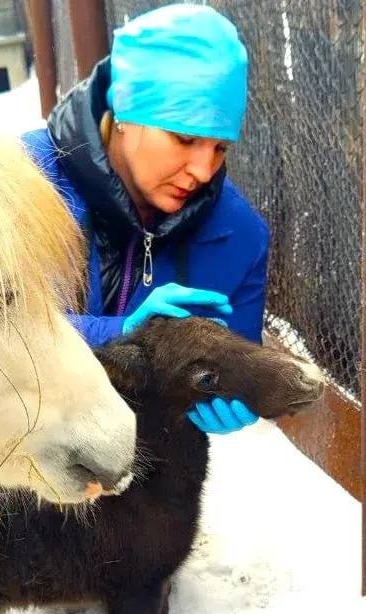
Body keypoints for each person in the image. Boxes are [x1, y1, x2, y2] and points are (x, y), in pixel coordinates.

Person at [22, 3, 269, 435]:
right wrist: (120, 334)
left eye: (220, 148)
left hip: (150, 458)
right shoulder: (22, 181)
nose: (204, 170)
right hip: (19, 448)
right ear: (125, 113)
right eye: (185, 139)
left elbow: (239, 355)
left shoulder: (239, 236)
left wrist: (244, 388)